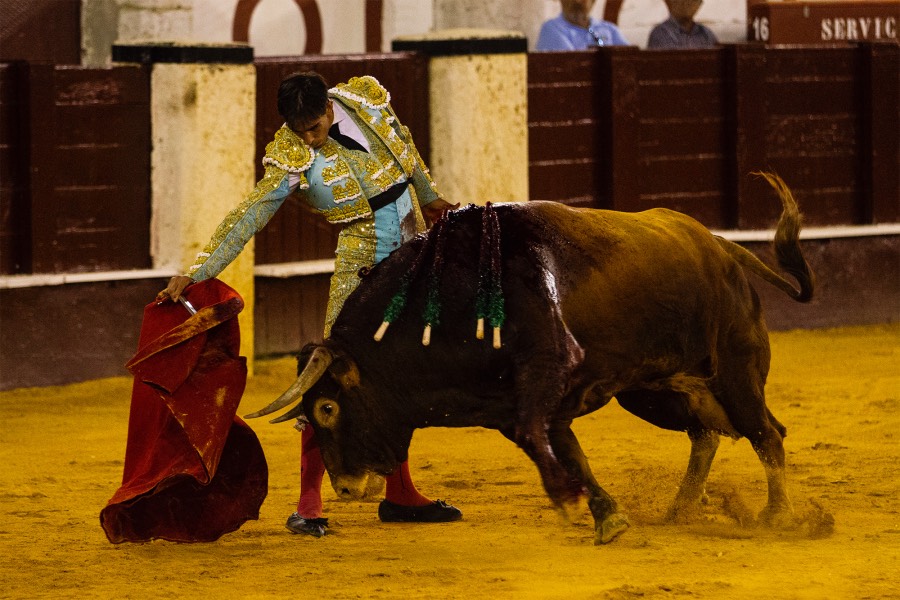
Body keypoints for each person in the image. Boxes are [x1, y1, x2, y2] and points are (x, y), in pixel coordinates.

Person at [157, 71, 461, 538]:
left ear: (329, 108)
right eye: (299, 131)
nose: (309, 140)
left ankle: (400, 493)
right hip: (362, 263)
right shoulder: (290, 155)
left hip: (412, 249)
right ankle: (308, 503)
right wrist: (197, 272)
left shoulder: (363, 100)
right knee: (329, 380)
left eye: (315, 128)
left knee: (400, 375)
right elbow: (249, 214)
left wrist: (430, 198)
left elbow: (404, 145)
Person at [536, 0, 628, 50]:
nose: (577, 1)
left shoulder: (610, 29)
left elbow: (629, 58)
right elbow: (573, 64)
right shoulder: (551, 28)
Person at [647, 0, 718, 49]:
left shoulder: (706, 34)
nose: (688, 3)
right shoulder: (660, 34)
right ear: (670, 2)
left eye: (695, 0)